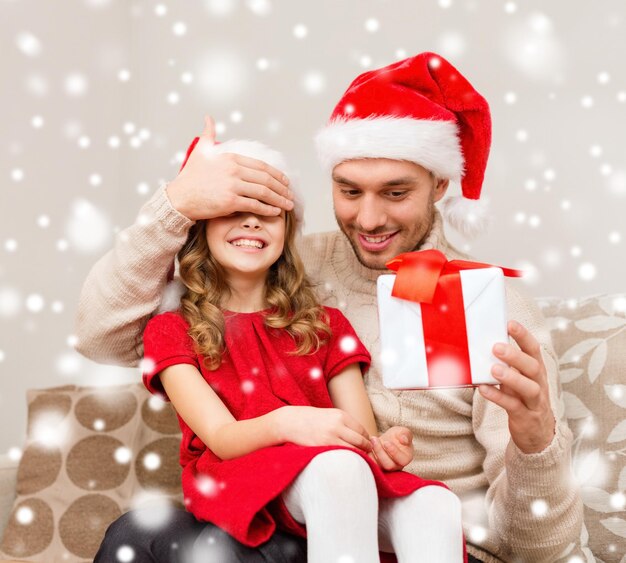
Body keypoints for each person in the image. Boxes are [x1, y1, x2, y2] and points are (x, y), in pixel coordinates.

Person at [79, 52, 583, 563]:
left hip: (430, 533)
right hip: (296, 517)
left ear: (441, 184)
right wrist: (177, 204)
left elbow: (543, 548)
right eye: (349, 191)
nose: (369, 217)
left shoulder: (490, 304)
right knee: (136, 536)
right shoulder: (290, 268)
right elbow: (104, 336)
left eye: (395, 192)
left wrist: (536, 441)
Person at [136, 137, 465, 563]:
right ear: (202, 228)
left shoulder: (326, 325)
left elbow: (359, 435)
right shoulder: (172, 329)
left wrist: (383, 447)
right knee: (340, 470)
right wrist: (290, 422)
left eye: (269, 214)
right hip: (240, 475)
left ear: (287, 230)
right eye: (235, 212)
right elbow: (221, 438)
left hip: (335, 475)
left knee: (435, 504)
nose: (252, 223)